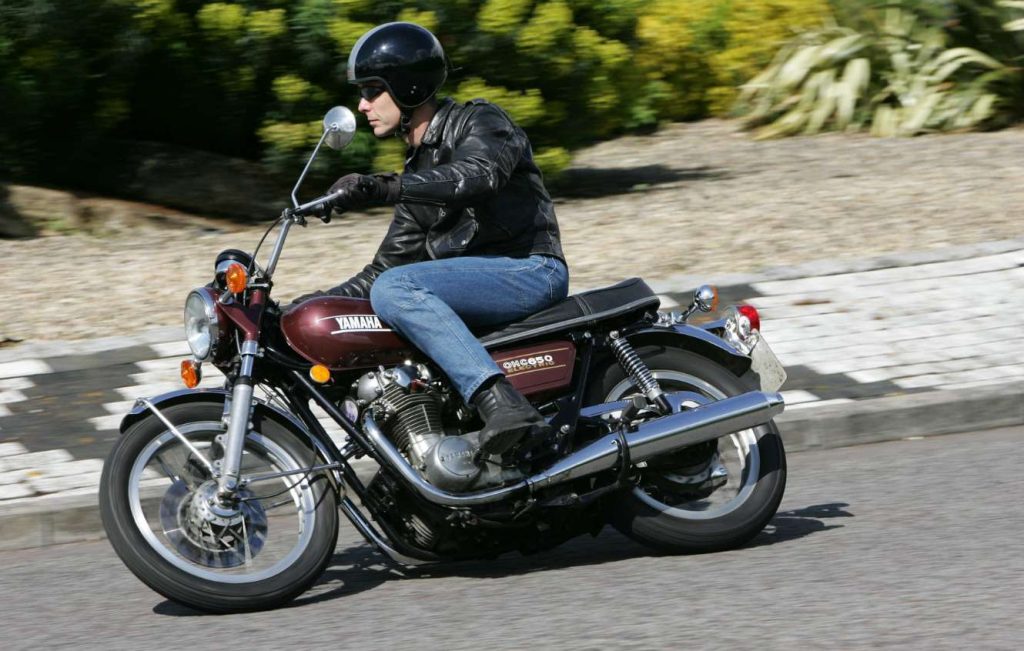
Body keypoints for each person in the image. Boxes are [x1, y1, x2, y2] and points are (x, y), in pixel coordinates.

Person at [294, 22, 569, 460]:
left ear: (408, 86)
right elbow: (383, 270)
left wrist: (383, 187)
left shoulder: (481, 121)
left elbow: (477, 176)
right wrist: (304, 309)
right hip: (476, 287)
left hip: (530, 269)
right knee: (387, 289)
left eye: (372, 91)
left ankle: (500, 400)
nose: (362, 105)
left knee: (397, 289)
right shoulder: (418, 169)